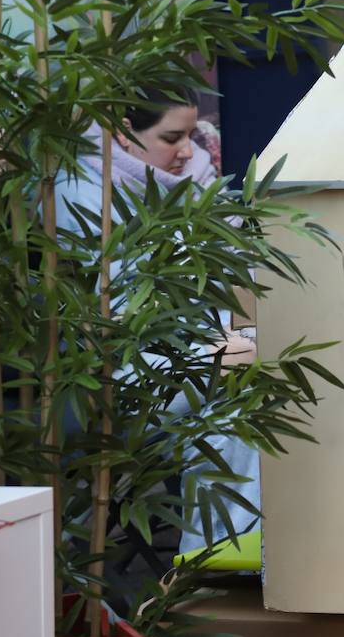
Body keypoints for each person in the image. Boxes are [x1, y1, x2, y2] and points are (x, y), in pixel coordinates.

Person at [54, 92, 259, 557]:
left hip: (187, 352)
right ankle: (214, 564)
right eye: (172, 137)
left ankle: (224, 563)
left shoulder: (185, 180)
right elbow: (112, 314)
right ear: (124, 132)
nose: (189, 150)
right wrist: (221, 346)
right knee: (250, 376)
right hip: (119, 371)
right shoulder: (81, 190)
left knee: (239, 405)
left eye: (191, 133)